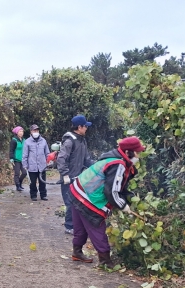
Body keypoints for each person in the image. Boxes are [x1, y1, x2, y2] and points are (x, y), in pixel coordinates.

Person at [69, 136, 145, 268]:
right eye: (137, 153)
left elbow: (120, 187)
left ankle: (77, 252)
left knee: (80, 225)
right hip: (88, 197)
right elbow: (111, 192)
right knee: (97, 226)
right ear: (128, 152)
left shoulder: (114, 158)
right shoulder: (118, 164)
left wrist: (127, 199)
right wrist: (123, 205)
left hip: (77, 190)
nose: (139, 156)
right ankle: (105, 261)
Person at [57, 115, 95, 234]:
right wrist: (65, 175)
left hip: (78, 178)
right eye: (85, 126)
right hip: (68, 178)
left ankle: (77, 225)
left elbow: (87, 160)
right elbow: (61, 159)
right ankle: (69, 226)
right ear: (79, 127)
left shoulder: (82, 140)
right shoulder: (69, 141)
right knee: (70, 203)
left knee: (78, 202)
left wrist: (98, 166)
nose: (86, 128)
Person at [22, 124, 50, 201]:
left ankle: (43, 195)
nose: (36, 132)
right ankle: (33, 195)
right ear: (31, 132)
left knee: (42, 182)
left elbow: (47, 153)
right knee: (32, 182)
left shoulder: (43, 141)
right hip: (32, 166)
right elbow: (25, 154)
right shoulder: (27, 142)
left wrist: (48, 162)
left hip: (42, 165)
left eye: (37, 130)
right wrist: (25, 164)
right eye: (34, 130)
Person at [9, 126, 27, 191]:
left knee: (24, 173)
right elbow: (11, 150)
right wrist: (11, 159)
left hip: (23, 159)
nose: (21, 133)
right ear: (17, 132)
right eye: (20, 131)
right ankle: (17, 186)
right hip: (16, 160)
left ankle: (20, 182)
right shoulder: (14, 140)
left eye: (22, 131)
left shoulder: (24, 140)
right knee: (17, 173)